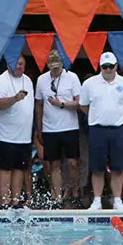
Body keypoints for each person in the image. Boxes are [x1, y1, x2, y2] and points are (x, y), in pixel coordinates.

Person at [79, 52, 123, 211]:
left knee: (118, 167)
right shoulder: (89, 84)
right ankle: (97, 200)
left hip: (118, 129)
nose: (108, 69)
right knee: (97, 167)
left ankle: (117, 199)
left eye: (111, 66)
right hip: (97, 129)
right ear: (100, 67)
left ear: (116, 66)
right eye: (105, 67)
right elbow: (83, 106)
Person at [34, 48, 82, 207]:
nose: (55, 70)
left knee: (73, 163)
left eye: (58, 67)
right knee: (53, 164)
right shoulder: (41, 80)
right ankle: (57, 196)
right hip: (49, 128)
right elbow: (39, 105)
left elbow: (79, 103)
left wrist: (61, 104)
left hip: (69, 127)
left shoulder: (72, 78)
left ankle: (74, 191)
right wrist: (39, 128)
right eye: (52, 67)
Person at [0, 54, 35, 208]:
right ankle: (3, 201)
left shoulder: (28, 80)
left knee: (20, 168)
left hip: (23, 136)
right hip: (3, 135)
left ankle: (15, 201)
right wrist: (14, 99)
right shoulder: (0, 81)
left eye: (21, 64)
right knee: (4, 168)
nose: (19, 66)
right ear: (8, 64)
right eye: (16, 63)